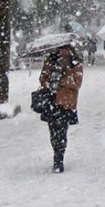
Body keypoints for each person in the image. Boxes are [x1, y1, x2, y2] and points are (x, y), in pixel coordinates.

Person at [39, 43, 83, 173]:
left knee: (62, 132)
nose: (64, 51)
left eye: (66, 49)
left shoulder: (75, 63)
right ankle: (56, 154)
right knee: (53, 132)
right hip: (51, 101)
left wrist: (62, 79)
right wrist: (47, 81)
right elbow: (42, 77)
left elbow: (77, 83)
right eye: (62, 49)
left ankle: (59, 159)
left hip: (66, 102)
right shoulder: (51, 61)